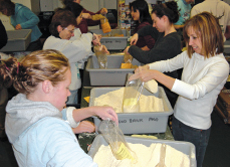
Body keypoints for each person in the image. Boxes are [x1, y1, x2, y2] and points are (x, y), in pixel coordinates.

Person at [128, 12, 229, 167]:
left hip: (196, 129)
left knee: (189, 163)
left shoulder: (220, 65)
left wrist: (155, 75)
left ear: (210, 35)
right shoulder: (192, 54)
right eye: (188, 38)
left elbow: (195, 92)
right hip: (177, 119)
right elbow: (168, 64)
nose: (190, 43)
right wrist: (146, 68)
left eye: (194, 37)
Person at [0, 49, 118, 166]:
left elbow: (54, 116)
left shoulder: (21, 107)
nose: (69, 93)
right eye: (66, 87)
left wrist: (92, 110)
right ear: (47, 86)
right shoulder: (52, 132)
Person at [124, 1, 181, 107]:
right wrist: (137, 34)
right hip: (159, 83)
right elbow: (148, 29)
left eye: (155, 21)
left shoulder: (172, 40)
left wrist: (131, 48)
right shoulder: (162, 32)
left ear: (164, 18)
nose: (153, 25)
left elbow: (148, 57)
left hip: (166, 89)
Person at [43, 9, 104, 106]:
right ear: (60, 28)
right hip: (61, 91)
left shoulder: (60, 42)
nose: (72, 34)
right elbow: (81, 48)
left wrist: (95, 50)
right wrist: (90, 35)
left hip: (69, 88)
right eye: (70, 31)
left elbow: (77, 55)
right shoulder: (53, 44)